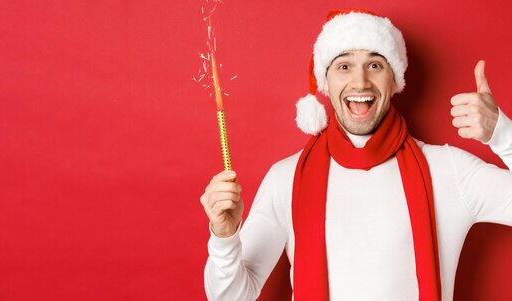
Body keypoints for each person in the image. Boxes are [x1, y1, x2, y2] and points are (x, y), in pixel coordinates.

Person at [199, 10, 512, 301]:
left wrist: (502, 134)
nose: (360, 82)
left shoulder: (449, 171)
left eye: (375, 65)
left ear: (395, 79)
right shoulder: (286, 178)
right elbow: (229, 297)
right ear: (326, 81)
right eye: (344, 66)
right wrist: (225, 237)